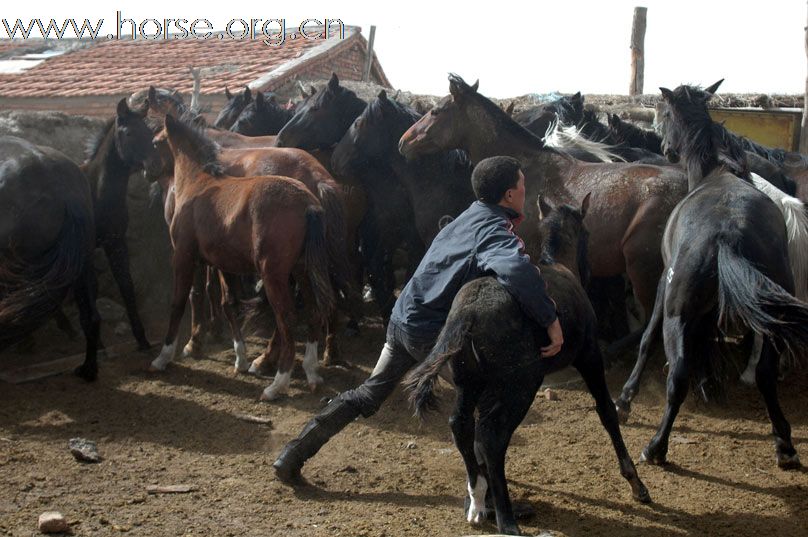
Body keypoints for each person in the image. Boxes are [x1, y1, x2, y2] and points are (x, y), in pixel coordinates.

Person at [273, 155, 564, 485]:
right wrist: (550, 319)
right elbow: (518, 271)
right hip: (430, 334)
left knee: (367, 394)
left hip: (401, 321)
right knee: (490, 404)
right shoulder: (494, 231)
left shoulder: (469, 216)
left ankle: (292, 454)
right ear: (510, 196)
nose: (526, 191)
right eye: (523, 186)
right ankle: (490, 496)